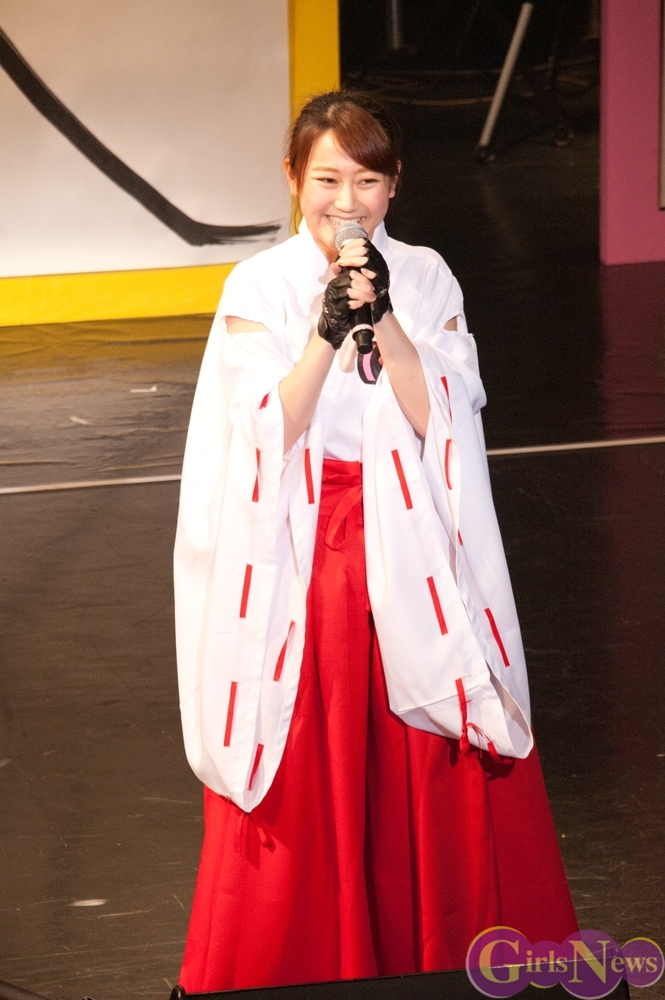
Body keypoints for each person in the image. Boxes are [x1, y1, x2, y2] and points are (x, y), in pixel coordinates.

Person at [173, 90, 577, 993]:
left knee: (429, 751)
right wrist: (323, 335)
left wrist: (385, 318)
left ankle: (437, 954)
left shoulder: (426, 275)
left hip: (412, 542)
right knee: (312, 750)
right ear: (292, 180)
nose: (344, 201)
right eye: (326, 179)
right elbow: (264, 433)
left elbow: (445, 416)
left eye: (365, 180)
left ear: (394, 186)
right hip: (310, 554)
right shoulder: (257, 286)